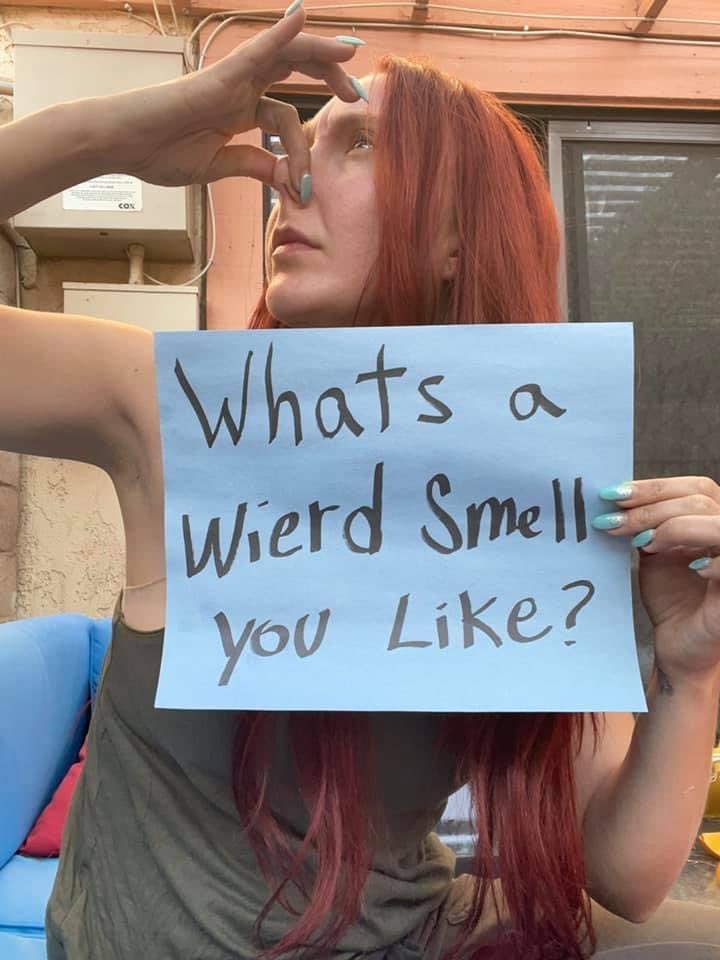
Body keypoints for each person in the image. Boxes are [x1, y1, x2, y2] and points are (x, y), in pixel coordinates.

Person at [0, 6, 719, 958]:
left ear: (458, 236)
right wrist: (124, 131)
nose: (290, 176)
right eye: (299, 142)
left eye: (361, 143)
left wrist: (690, 670)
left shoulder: (527, 494)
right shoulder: (170, 406)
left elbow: (625, 872)